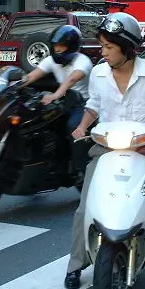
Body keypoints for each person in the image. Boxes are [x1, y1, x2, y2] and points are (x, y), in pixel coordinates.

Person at [64, 12, 145, 289]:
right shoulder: (98, 73)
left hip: (143, 151)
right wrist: (83, 125)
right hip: (105, 149)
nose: (103, 52)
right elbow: (94, 105)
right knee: (85, 209)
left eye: (109, 47)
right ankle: (75, 264)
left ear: (127, 47)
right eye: (102, 46)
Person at [21, 25, 93, 178]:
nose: (57, 49)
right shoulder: (51, 60)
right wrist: (13, 85)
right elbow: (32, 76)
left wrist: (55, 95)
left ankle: (81, 169)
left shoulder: (82, 61)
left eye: (61, 45)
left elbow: (71, 79)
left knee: (73, 126)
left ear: (71, 46)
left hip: (84, 104)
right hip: (65, 101)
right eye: (55, 45)